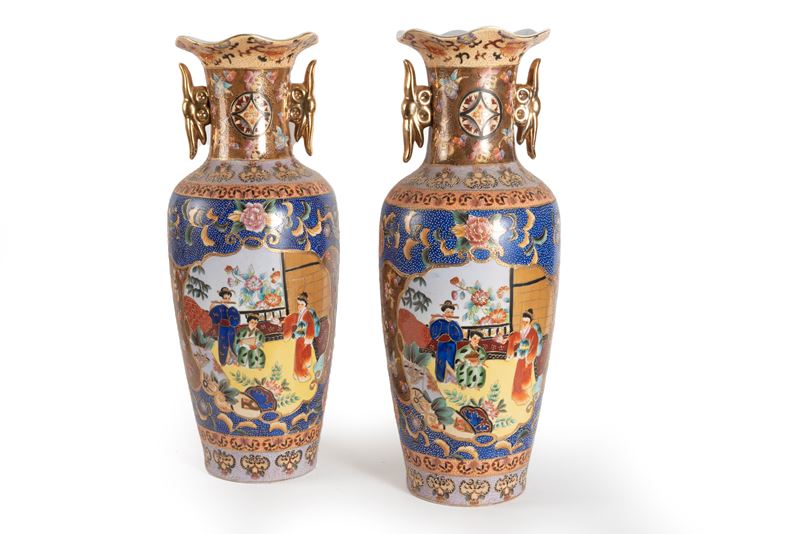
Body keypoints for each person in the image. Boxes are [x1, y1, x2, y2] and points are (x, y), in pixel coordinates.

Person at [505, 308, 543, 404]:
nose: (524, 323)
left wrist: (529, 359)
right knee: (517, 377)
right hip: (521, 358)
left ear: (530, 321)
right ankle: (516, 394)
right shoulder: (523, 331)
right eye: (523, 321)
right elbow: (516, 337)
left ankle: (522, 395)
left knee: (524, 377)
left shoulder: (533, 333)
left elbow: (534, 346)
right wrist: (511, 338)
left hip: (527, 359)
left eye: (527, 321)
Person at [282, 292, 319, 382]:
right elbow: (293, 319)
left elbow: (310, 326)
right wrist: (284, 321)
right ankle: (301, 372)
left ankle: (301, 374)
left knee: (299, 357)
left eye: (302, 304)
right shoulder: (301, 314)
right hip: (301, 338)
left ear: (305, 305)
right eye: (298, 304)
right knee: (301, 356)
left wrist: (308, 338)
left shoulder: (307, 314)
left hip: (304, 338)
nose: (299, 306)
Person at [429, 300, 464, 382]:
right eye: (448, 312)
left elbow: (460, 336)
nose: (450, 314)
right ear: (444, 313)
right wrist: (432, 322)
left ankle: (449, 378)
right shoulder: (439, 322)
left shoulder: (454, 323)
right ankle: (442, 378)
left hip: (452, 346)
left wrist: (451, 336)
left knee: (450, 360)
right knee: (442, 361)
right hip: (442, 346)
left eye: (452, 312)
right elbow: (433, 334)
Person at [209, 287, 240, 366]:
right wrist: (212, 306)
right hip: (223, 328)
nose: (227, 300)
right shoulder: (219, 308)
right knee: (223, 344)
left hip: (231, 328)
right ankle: (224, 360)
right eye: (225, 298)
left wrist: (232, 319)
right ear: (222, 298)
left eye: (228, 298)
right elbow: (213, 317)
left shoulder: (232, 308)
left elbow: (236, 320)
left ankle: (233, 358)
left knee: (232, 343)